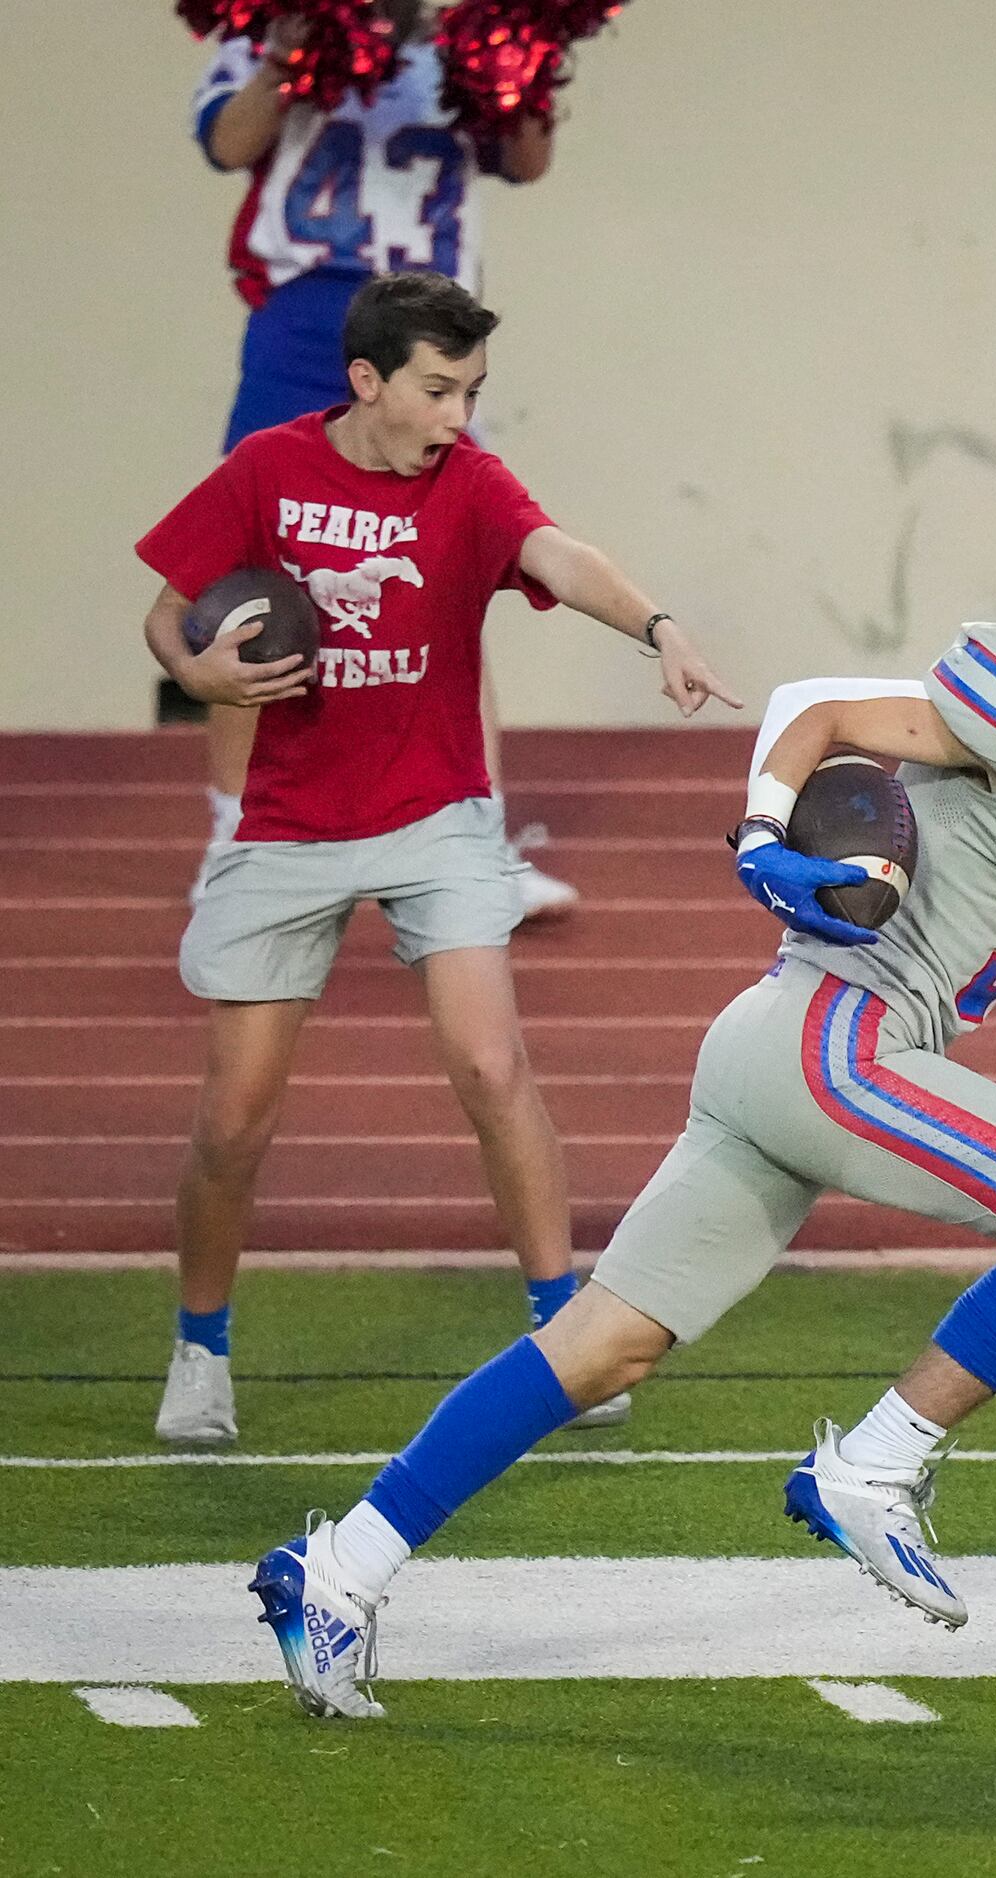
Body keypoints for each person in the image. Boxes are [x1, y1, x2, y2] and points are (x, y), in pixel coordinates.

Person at [243, 491, 996, 1720]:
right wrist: (764, 833)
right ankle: (875, 1465)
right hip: (838, 1032)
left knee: (603, 1344)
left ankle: (337, 1568)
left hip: (791, 1047)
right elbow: (817, 710)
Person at [137, 273, 739, 1448]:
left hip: (438, 814)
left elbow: (558, 557)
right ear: (366, 383)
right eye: (437, 390)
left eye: (471, 390)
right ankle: (199, 1349)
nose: (459, 415)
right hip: (289, 826)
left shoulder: (467, 483)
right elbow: (171, 609)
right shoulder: (266, 468)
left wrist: (658, 626)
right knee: (234, 1122)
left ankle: (569, 1336)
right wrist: (196, 674)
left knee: (492, 1066)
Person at [192, 3, 579, 919]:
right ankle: (231, 834)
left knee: (452, 568)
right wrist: (290, 58)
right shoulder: (266, 26)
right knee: (256, 578)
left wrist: (522, 66)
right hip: (305, 315)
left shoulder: (464, 44)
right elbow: (228, 142)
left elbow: (526, 160)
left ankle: (476, 840)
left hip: (428, 316)